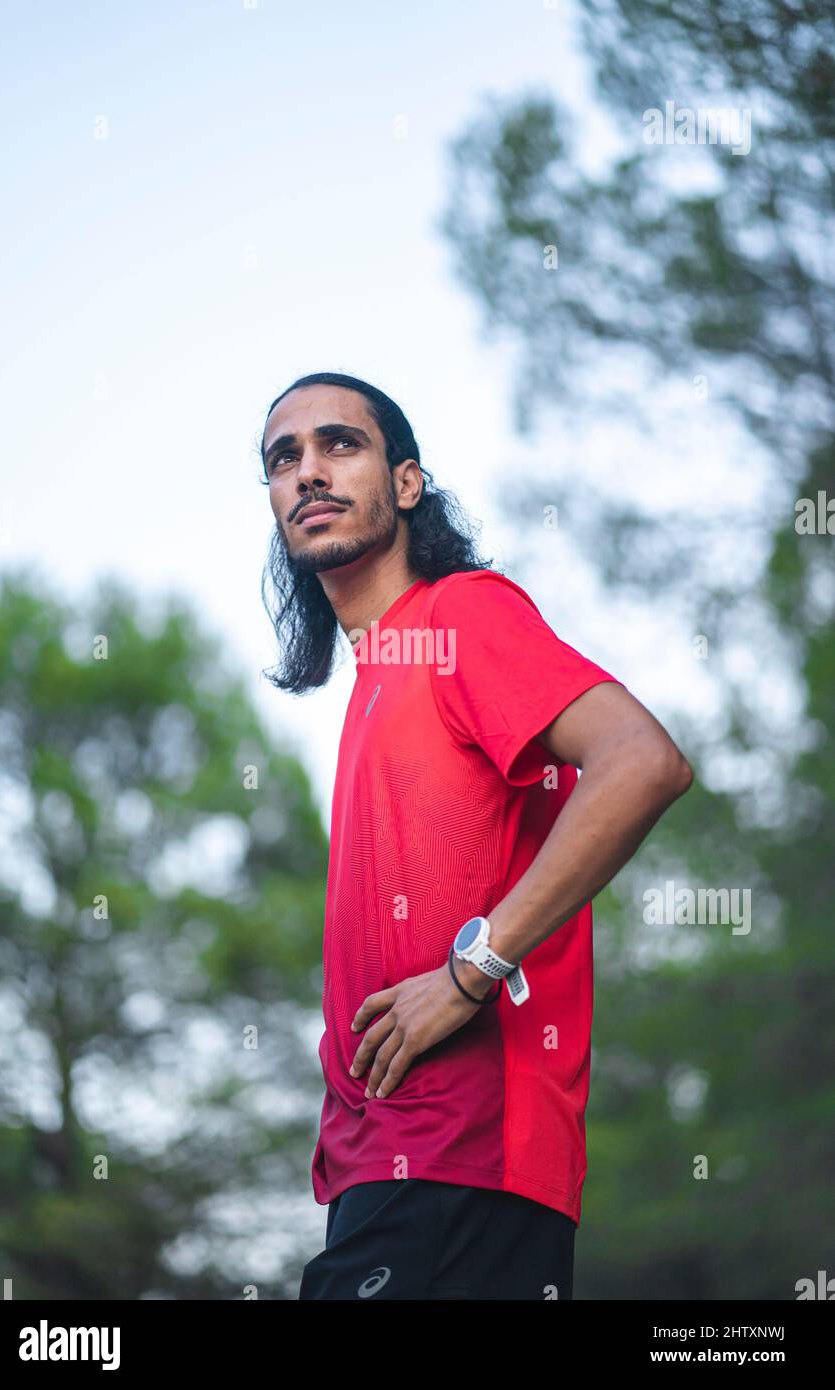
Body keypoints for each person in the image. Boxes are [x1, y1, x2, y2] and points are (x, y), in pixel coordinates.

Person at [258, 371, 693, 1300]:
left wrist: (471, 972)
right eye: (282, 458)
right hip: (383, 1171)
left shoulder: (458, 616)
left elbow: (641, 762)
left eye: (341, 444)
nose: (307, 471)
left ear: (406, 483)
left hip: (461, 1163)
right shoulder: (377, 678)